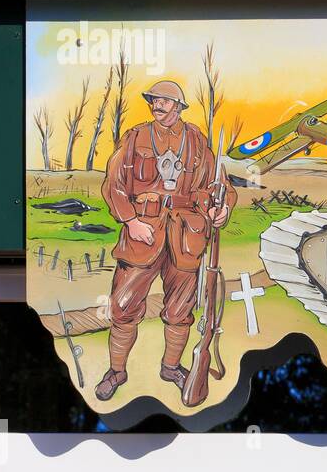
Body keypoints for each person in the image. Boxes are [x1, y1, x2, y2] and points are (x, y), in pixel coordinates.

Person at [95, 80, 237, 406]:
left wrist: (221, 208)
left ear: (178, 106)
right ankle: (116, 371)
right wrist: (130, 221)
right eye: (154, 101)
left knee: (180, 311)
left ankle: (171, 367)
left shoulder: (198, 143)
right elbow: (113, 183)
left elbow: (220, 185)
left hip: (186, 238)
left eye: (164, 101)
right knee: (123, 307)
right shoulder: (135, 138)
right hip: (142, 235)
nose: (157, 106)